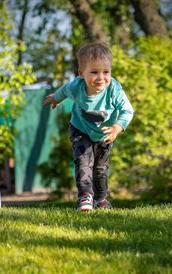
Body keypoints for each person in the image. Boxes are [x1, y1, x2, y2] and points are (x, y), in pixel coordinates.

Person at [44, 42, 134, 211]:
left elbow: (127, 110)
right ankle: (85, 196)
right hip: (80, 129)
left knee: (100, 168)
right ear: (81, 74)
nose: (101, 77)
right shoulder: (76, 86)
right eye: (94, 72)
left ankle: (101, 200)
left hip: (105, 133)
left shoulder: (113, 90)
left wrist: (117, 128)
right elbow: (64, 90)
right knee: (83, 162)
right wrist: (56, 98)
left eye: (106, 72)